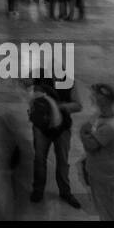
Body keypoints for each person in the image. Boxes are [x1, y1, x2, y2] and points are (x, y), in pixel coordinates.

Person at [28, 76, 82, 208]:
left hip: (62, 128)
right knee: (40, 159)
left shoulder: (69, 82)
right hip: (41, 127)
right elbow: (28, 91)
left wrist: (59, 106)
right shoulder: (39, 77)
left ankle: (65, 192)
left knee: (62, 160)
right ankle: (38, 190)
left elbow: (78, 105)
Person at [79, 83, 114, 221]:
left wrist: (82, 132)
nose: (92, 97)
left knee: (107, 215)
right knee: (105, 211)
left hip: (103, 177)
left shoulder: (109, 127)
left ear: (103, 100)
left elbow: (90, 145)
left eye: (95, 95)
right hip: (104, 174)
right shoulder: (108, 117)